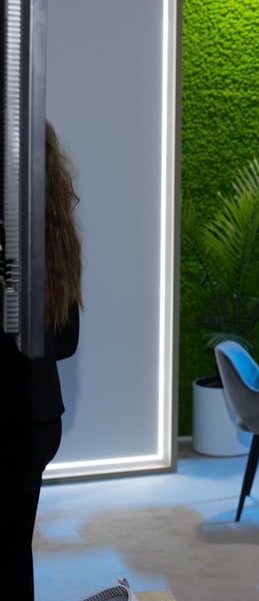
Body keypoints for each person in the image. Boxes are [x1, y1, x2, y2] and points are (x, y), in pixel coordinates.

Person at [0, 121, 83, 601]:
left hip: (8, 423)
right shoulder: (56, 236)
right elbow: (67, 342)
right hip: (42, 421)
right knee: (15, 553)